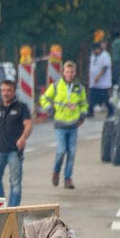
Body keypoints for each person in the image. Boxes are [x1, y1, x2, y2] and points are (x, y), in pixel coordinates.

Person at [0, 78, 33, 207]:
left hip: (15, 151)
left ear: (14, 92)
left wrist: (23, 138)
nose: (5, 93)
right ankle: (0, 206)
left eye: (8, 90)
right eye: (3, 90)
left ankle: (12, 210)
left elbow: (28, 125)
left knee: (15, 183)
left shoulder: (21, 107)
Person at [39, 61, 88, 190]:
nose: (70, 74)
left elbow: (84, 103)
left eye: (72, 72)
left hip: (73, 125)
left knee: (71, 153)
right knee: (61, 151)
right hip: (60, 125)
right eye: (67, 72)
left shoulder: (79, 88)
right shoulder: (56, 86)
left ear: (75, 73)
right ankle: (56, 172)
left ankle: (68, 178)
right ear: (63, 73)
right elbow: (44, 99)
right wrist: (49, 108)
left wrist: (82, 115)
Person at [87, 41, 114, 119]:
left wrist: (98, 76)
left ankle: (111, 111)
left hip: (103, 82)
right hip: (94, 82)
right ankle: (90, 111)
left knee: (105, 98)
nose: (94, 51)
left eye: (95, 50)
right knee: (91, 97)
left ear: (99, 49)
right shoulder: (93, 55)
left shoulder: (105, 56)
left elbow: (105, 67)